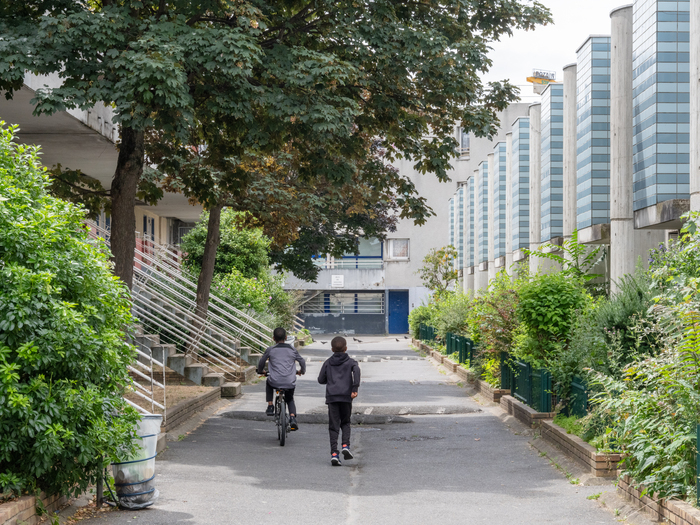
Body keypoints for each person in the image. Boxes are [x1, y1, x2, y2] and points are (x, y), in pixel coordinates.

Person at [317, 336, 361, 466]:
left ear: (332, 349)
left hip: (332, 397)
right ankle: (346, 446)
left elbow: (320, 380)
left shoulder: (328, 362)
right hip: (346, 397)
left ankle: (334, 454)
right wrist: (355, 387)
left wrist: (329, 380)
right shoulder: (351, 362)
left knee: (333, 425)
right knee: (346, 422)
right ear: (346, 348)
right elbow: (357, 370)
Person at [256, 327, 306, 431]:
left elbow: (261, 362)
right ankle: (292, 418)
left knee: (268, 382)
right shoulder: (292, 349)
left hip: (274, 380)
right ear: (286, 337)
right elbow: (302, 362)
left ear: (273, 338)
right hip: (289, 381)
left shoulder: (270, 350)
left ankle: (270, 405)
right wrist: (302, 371)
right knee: (290, 399)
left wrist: (261, 371)